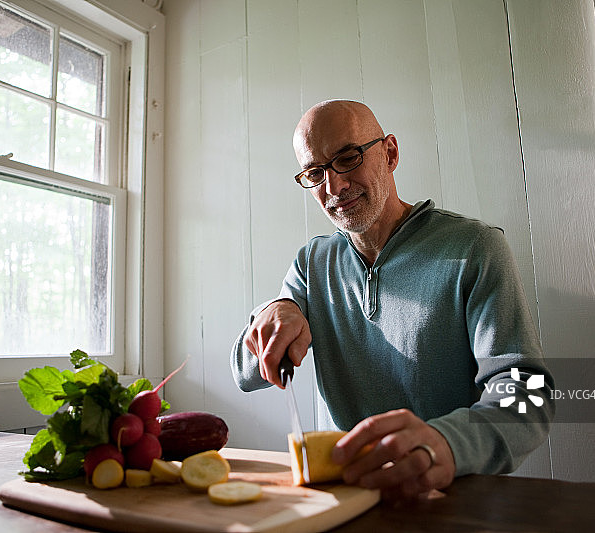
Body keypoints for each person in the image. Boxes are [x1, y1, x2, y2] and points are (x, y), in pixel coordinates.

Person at [230, 100, 554, 501]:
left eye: (347, 158)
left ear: (390, 153)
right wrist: (275, 310)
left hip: (451, 503)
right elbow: (245, 374)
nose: (334, 186)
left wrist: (447, 442)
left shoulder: (476, 248)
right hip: (343, 504)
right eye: (315, 173)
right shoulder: (311, 265)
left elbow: (529, 396)